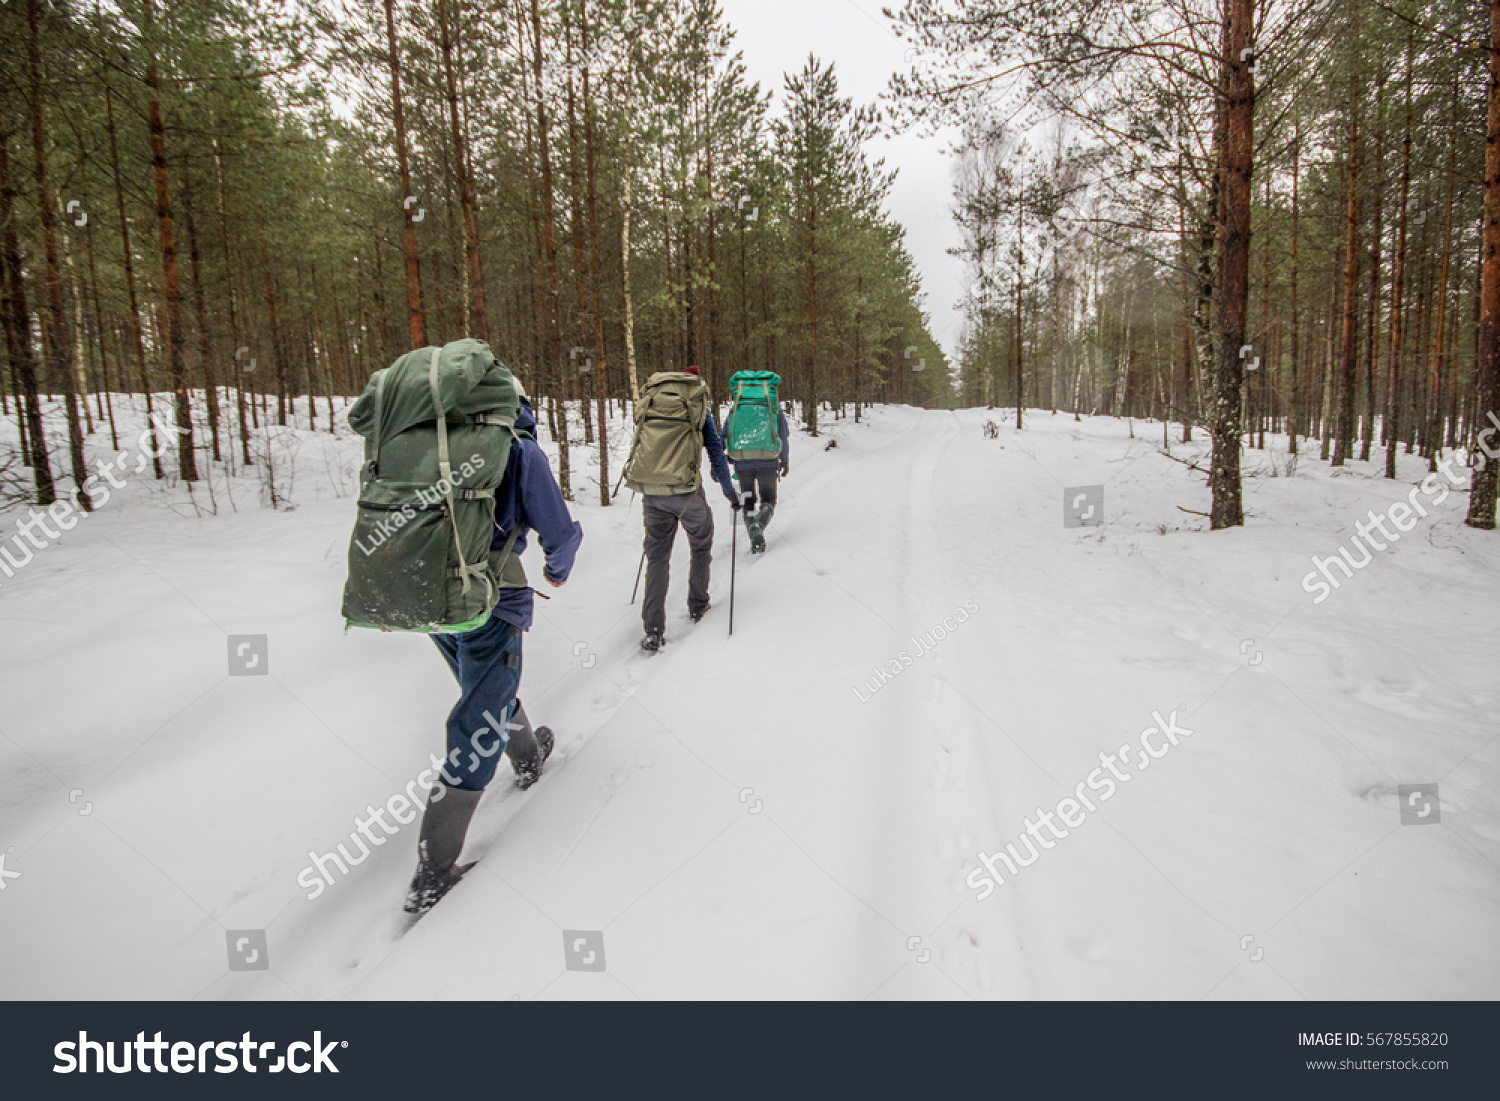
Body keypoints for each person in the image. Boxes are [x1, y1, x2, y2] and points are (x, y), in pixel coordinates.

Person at [406, 384, 582, 915]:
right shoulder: (520, 449)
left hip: (428, 598)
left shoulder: (421, 443)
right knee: (478, 719)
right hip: (489, 598)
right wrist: (557, 567)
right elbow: (559, 532)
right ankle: (433, 871)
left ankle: (528, 758)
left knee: (485, 688)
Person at [622, 364, 738, 651]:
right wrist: (729, 492)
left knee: (657, 558)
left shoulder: (654, 406)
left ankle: (653, 629)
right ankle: (698, 604)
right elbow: (716, 454)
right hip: (686, 493)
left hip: (652, 493)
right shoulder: (699, 412)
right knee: (701, 544)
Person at [727, 393, 790, 555]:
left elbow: (725, 433)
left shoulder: (737, 408)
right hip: (768, 461)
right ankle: (759, 527)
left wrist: (723, 457)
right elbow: (783, 435)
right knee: (769, 500)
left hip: (742, 462)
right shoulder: (772, 407)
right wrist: (784, 459)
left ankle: (754, 540)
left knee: (747, 501)